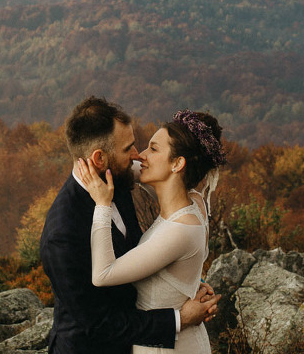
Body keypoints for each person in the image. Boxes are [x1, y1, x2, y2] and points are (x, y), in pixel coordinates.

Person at [40, 97, 220, 354]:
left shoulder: (116, 175)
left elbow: (169, 175)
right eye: (129, 149)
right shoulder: (61, 234)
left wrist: (188, 281)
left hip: (142, 342)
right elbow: (98, 324)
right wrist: (180, 317)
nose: (138, 156)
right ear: (99, 159)